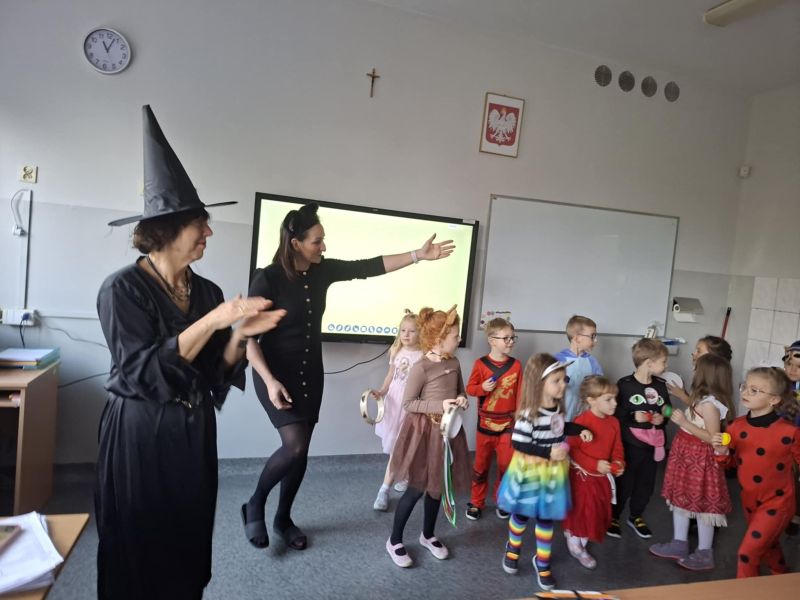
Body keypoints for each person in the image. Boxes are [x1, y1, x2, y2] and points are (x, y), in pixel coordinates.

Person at [96, 105, 285, 599]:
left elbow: (213, 376)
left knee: (186, 540)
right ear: (167, 229)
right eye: (201, 223)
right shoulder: (122, 290)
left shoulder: (207, 292)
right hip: (139, 437)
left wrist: (240, 335)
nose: (209, 232)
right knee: (138, 546)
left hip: (192, 437)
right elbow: (140, 372)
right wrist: (215, 321)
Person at [243, 203, 455, 550]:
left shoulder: (321, 270)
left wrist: (418, 255)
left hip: (310, 374)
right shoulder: (268, 278)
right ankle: (255, 503)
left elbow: (368, 267)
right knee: (294, 445)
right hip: (275, 375)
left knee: (301, 451)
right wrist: (269, 381)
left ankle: (283, 519)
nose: (323, 247)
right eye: (317, 241)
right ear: (295, 243)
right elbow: (248, 340)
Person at [497, 353, 593, 591]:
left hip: (552, 475)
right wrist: (548, 452)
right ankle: (513, 548)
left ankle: (542, 561)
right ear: (539, 383)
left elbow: (559, 428)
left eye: (564, 379)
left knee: (545, 518)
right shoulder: (529, 414)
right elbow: (519, 443)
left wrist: (578, 429)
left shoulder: (557, 409)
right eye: (556, 380)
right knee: (521, 514)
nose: (563, 385)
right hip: (529, 472)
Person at [385, 306, 471, 567]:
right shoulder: (421, 367)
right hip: (424, 434)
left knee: (437, 487)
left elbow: (461, 391)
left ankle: (428, 535)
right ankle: (394, 540)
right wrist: (439, 405)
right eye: (455, 336)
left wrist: (462, 400)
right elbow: (409, 403)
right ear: (438, 339)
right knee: (416, 488)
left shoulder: (454, 362)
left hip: (447, 432)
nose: (459, 339)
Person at [711, 367, 799, 578]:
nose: (745, 393)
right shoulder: (735, 427)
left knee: (747, 554)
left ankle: (746, 591)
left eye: (755, 390)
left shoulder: (790, 432)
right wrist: (722, 452)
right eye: (745, 387)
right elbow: (728, 465)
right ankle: (780, 573)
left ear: (774, 399)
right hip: (750, 501)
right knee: (768, 543)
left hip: (778, 503)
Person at [650, 353, 735, 570]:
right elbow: (696, 412)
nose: (694, 371)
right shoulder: (702, 399)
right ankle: (679, 543)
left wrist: (684, 423)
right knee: (681, 499)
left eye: (698, 368)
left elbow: (713, 438)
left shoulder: (710, 405)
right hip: (687, 457)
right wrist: (678, 405)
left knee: (703, 507)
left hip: (700, 460)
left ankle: (705, 553)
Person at [609, 338, 671, 539]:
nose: (666, 366)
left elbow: (668, 408)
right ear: (649, 363)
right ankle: (614, 516)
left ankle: (636, 515)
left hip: (652, 446)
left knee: (646, 484)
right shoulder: (624, 385)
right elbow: (614, 411)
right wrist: (632, 415)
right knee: (624, 482)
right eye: (663, 362)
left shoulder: (661, 385)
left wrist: (664, 416)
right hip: (630, 445)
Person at [562, 376, 624, 570]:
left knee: (595, 511)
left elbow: (617, 447)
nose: (615, 403)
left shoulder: (614, 423)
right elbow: (572, 450)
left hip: (601, 478)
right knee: (582, 510)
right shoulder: (581, 422)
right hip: (582, 478)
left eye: (615, 398)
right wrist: (594, 464)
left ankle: (580, 537)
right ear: (591, 400)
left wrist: (619, 462)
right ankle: (576, 545)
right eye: (608, 399)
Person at [464, 317, 522, 521]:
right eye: (506, 338)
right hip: (485, 426)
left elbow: (520, 394)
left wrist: (520, 417)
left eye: (512, 338)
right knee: (480, 466)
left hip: (508, 425)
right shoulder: (480, 364)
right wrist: (482, 388)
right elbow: (470, 389)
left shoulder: (516, 366)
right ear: (491, 340)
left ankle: (502, 500)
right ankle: (476, 501)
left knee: (506, 466)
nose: (511, 342)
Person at [370, 310, 423, 511]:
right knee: (395, 445)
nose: (406, 335)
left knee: (405, 444)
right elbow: (390, 376)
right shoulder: (396, 350)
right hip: (394, 402)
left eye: (411, 331)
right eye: (403, 330)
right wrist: (382, 391)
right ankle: (395, 482)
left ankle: (388, 486)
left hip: (411, 405)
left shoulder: (423, 355)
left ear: (421, 333)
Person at [554, 315, 603, 421]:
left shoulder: (592, 362)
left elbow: (600, 388)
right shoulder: (558, 360)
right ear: (577, 338)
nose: (595, 340)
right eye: (592, 336)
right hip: (561, 417)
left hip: (584, 417)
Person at [666, 335, 732, 405]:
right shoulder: (702, 377)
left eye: (699, 351)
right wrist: (683, 393)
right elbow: (696, 403)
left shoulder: (712, 384)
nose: (693, 353)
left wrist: (682, 395)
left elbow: (700, 407)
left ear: (712, 358)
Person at [781, 341, 800, 535]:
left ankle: (795, 516)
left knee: (796, 480)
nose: (793, 370)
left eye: (799, 366)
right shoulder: (781, 387)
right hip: (782, 442)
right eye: (789, 364)